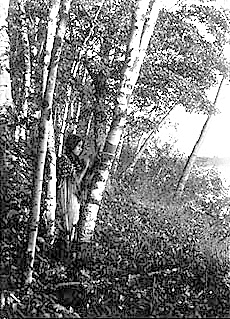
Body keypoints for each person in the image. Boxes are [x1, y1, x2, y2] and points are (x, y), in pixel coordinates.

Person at [57, 134, 89, 243]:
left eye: (81, 146)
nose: (80, 149)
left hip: (73, 194)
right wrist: (85, 168)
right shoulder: (65, 160)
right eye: (78, 146)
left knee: (74, 221)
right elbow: (75, 180)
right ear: (72, 146)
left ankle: (68, 246)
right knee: (68, 221)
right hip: (67, 194)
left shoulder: (75, 161)